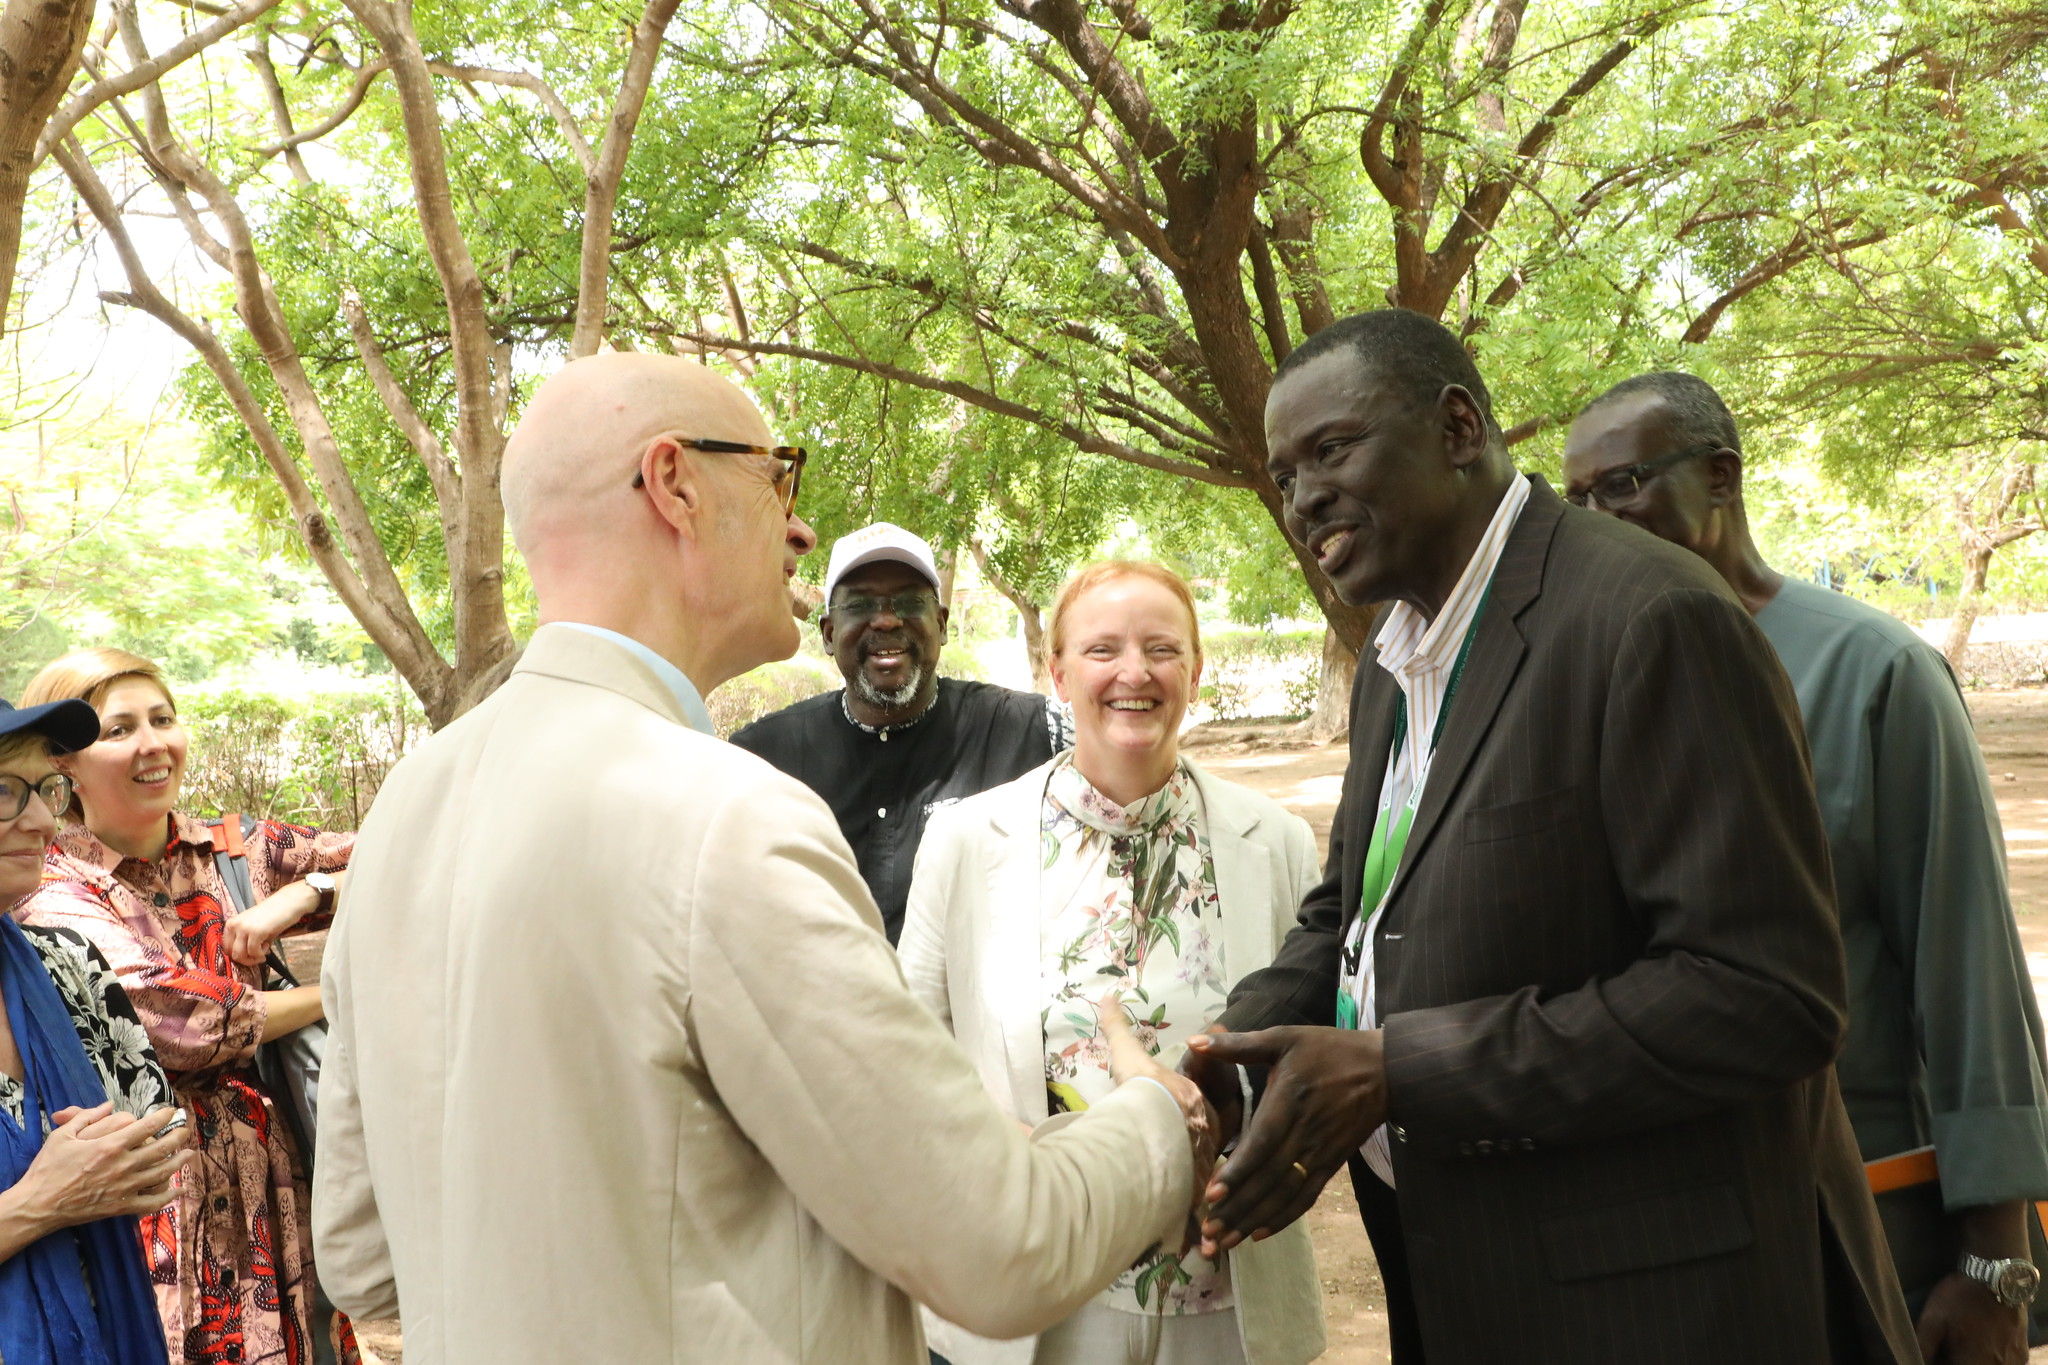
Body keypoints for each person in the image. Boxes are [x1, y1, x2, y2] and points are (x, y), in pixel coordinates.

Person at [311, 353, 1218, 1364]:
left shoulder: (405, 807)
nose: (796, 528)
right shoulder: (722, 815)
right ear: (675, 484)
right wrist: (1157, 1118)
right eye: (775, 476)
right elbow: (999, 1249)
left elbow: (362, 1259)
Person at [1179, 309, 1919, 1363]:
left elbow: (1765, 995)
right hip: (1467, 1289)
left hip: (1656, 1313)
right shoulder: (1393, 663)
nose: (1301, 500)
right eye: (1284, 475)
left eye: (1331, 450)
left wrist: (1402, 1071)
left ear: (1455, 428)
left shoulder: (1649, 617)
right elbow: (1348, 916)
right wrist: (1220, 1064)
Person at [1563, 370, 2048, 1365]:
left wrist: (1993, 1262)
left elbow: (1963, 969)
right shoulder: (1589, 683)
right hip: (1663, 1234)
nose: (1594, 521)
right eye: (1572, 502)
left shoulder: (1873, 673)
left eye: (1618, 486)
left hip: (1865, 1215)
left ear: (1718, 477)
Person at [900, 562, 1327, 1365]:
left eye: (1161, 648)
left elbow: (1315, 1046)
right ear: (1055, 671)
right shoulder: (965, 841)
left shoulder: (1275, 844)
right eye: (1103, 649)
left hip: (1225, 1294)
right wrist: (1007, 1150)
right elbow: (906, 1051)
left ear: (1196, 673)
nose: (1134, 672)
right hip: (1037, 1287)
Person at [17, 649, 356, 1365]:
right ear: (64, 768)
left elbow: (403, 851)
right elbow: (183, 1022)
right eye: (119, 729)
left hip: (285, 1186)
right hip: (158, 1208)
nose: (151, 743)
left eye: (162, 719)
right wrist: (337, 995)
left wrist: (310, 892)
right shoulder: (50, 884)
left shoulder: (233, 849)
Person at [731, 522, 1070, 944]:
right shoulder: (761, 760)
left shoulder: (1028, 731)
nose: (887, 620)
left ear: (942, 625)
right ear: (829, 634)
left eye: (910, 602)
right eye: (859, 605)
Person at [0, 695, 188, 1365]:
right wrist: (34, 1204)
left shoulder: (64, 962)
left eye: (49, 788)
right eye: (5, 791)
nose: (46, 820)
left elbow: (156, 1130)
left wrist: (124, 1157)